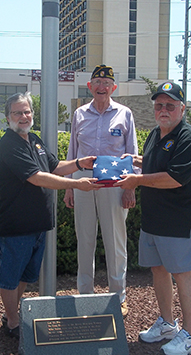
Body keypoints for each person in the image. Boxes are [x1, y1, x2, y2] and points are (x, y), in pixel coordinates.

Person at [0, 92, 102, 339]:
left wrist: (79, 163)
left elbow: (53, 167)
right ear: (8, 117)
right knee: (10, 276)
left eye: (27, 111)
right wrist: (76, 185)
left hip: (38, 223)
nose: (24, 116)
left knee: (26, 275)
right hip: (16, 224)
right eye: (18, 112)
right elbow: (37, 177)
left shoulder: (34, 140)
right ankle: (11, 321)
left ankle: (11, 313)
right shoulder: (9, 144)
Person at [114, 82, 191, 355]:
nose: (163, 110)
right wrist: (139, 160)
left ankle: (190, 336)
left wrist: (137, 179)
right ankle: (167, 323)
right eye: (159, 105)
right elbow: (160, 164)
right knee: (158, 270)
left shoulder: (188, 138)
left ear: (182, 108)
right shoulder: (157, 134)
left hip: (179, 222)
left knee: (182, 275)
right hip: (155, 220)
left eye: (170, 105)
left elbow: (175, 177)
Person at [63, 64, 140, 316]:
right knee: (84, 240)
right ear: (90, 87)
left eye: (106, 83)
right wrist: (69, 186)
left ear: (113, 87)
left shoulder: (124, 114)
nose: (101, 87)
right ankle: (85, 294)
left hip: (114, 186)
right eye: (97, 82)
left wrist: (130, 187)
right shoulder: (79, 115)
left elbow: (133, 154)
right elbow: (72, 152)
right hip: (84, 182)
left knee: (115, 242)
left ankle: (118, 297)